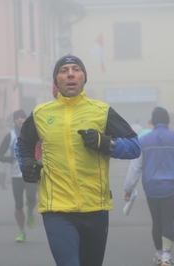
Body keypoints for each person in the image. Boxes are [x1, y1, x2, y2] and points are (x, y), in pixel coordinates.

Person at [16, 54, 141, 266]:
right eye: (64, 71)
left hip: (95, 207)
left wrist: (106, 143)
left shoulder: (102, 111)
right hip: (57, 210)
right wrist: (26, 164)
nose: (71, 74)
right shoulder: (40, 113)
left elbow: (134, 146)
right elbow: (23, 145)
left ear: (84, 77)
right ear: (56, 81)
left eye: (76, 69)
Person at [123, 106, 174, 266]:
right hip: (171, 187)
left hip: (151, 187)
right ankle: (166, 257)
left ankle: (158, 253)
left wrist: (128, 189)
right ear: (168, 121)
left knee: (156, 221)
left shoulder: (144, 140)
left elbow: (135, 167)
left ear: (153, 122)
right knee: (168, 221)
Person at [0, 109, 37, 242]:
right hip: (16, 175)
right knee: (19, 205)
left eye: (22, 117)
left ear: (26, 120)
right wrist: (9, 159)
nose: (20, 119)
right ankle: (21, 232)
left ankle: (30, 212)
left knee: (32, 198)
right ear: (14, 121)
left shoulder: (33, 133)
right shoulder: (10, 136)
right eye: (17, 118)